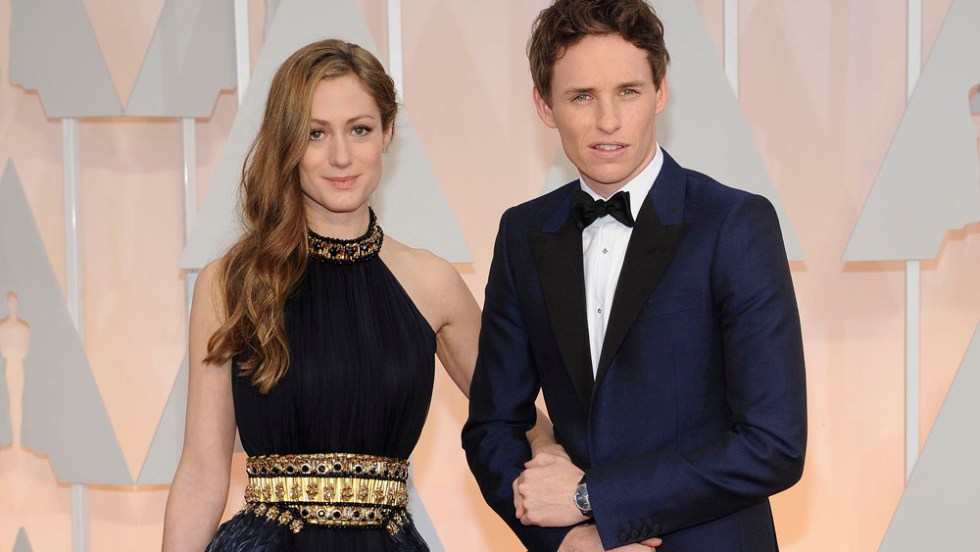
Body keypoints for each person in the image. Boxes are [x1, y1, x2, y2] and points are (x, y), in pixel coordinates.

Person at [162, 39, 556, 551]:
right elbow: (201, 473)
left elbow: (513, 413)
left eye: (360, 129)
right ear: (287, 142)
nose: (341, 156)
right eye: (316, 133)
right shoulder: (232, 283)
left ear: (387, 132)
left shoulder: (431, 283)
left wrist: (553, 455)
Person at [462, 1, 807, 551]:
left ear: (660, 92)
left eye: (628, 91)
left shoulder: (733, 224)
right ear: (544, 105)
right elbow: (492, 426)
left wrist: (592, 498)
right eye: (581, 96)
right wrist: (566, 541)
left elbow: (773, 445)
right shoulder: (523, 234)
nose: (608, 120)